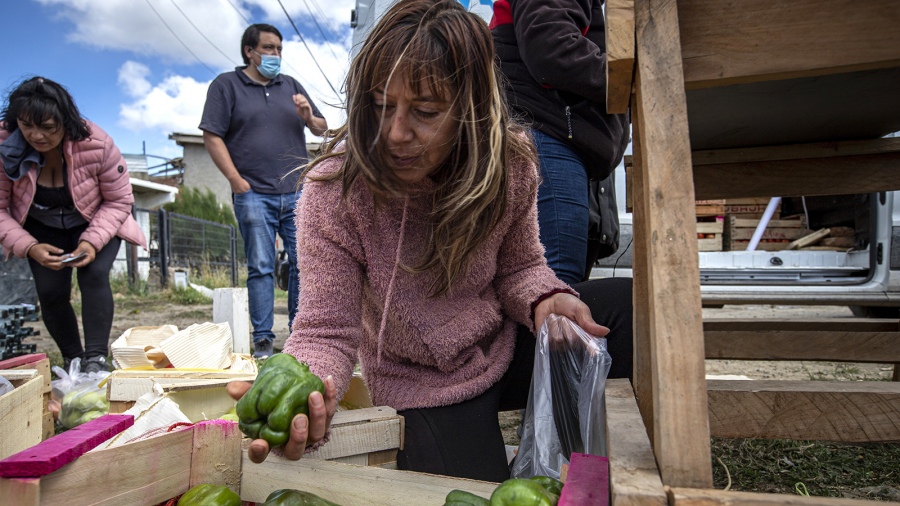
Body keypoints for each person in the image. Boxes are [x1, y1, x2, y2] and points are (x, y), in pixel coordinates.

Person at [228, 0, 633, 483]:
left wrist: (548, 296)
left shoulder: (511, 163)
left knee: (631, 310)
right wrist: (311, 388)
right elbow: (324, 329)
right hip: (421, 379)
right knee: (471, 493)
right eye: (380, 105)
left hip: (501, 342)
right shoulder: (335, 188)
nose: (396, 133)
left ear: (472, 109)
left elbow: (520, 268)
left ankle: (623, 469)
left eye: (425, 111)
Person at [0, 77, 147, 374]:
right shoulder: (5, 145)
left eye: (47, 127)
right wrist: (29, 246)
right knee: (50, 291)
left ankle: (95, 359)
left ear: (65, 121)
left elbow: (119, 201)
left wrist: (91, 241)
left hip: (95, 220)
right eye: (27, 125)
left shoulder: (98, 143)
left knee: (93, 275)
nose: (37, 135)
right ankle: (73, 360)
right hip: (40, 227)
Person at [199, 23, 328, 358]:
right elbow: (212, 136)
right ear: (249, 51)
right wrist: (236, 180)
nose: (275, 55)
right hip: (254, 192)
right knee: (261, 265)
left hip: (298, 191)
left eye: (279, 49)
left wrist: (307, 115)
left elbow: (322, 127)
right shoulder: (227, 86)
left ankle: (301, 336)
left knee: (304, 263)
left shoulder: (291, 86)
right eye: (269, 48)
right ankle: (263, 342)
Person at [490, 0, 630, 285]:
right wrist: (630, 79)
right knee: (554, 286)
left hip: (553, 138)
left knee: (552, 289)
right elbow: (551, 48)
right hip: (546, 135)